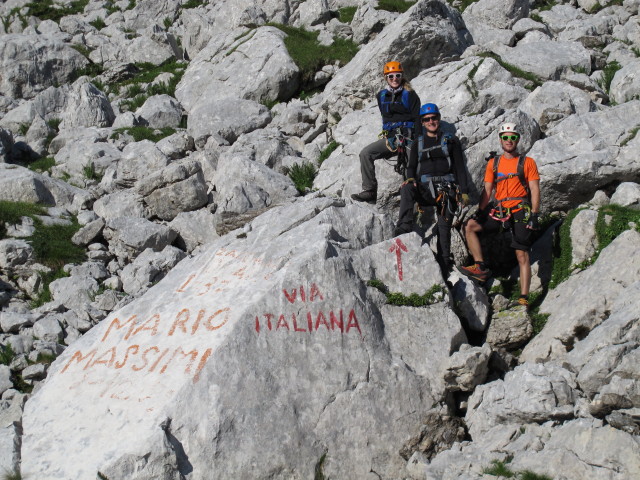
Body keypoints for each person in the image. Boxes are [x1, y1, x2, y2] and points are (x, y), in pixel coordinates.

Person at [457, 122, 541, 307]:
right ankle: (480, 267)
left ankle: (524, 297)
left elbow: (534, 189)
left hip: (520, 209)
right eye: (505, 137)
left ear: (517, 139)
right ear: (501, 140)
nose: (509, 140)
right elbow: (487, 190)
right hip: (500, 210)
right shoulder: (493, 164)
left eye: (512, 137)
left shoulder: (527, 163)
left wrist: (535, 214)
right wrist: (480, 211)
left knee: (522, 253)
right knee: (470, 226)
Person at [394, 103, 469, 274]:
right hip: (426, 189)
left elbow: (459, 168)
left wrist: (464, 192)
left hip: (446, 190)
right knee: (407, 188)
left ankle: (444, 264)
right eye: (427, 119)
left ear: (439, 119)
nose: (431, 121)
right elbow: (411, 166)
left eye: (434, 118)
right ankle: (403, 227)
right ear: (422, 122)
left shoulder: (451, 141)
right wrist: (411, 179)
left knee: (444, 228)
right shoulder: (417, 144)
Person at [351, 61, 421, 203]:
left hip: (408, 138)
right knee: (366, 153)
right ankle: (370, 191)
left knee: (411, 171)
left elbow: (417, 119)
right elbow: (386, 118)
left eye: (397, 75)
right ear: (386, 78)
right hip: (391, 139)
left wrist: (418, 141)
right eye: (391, 76)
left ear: (402, 76)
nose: (394, 79)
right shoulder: (381, 96)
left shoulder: (410, 95)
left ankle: (417, 196)